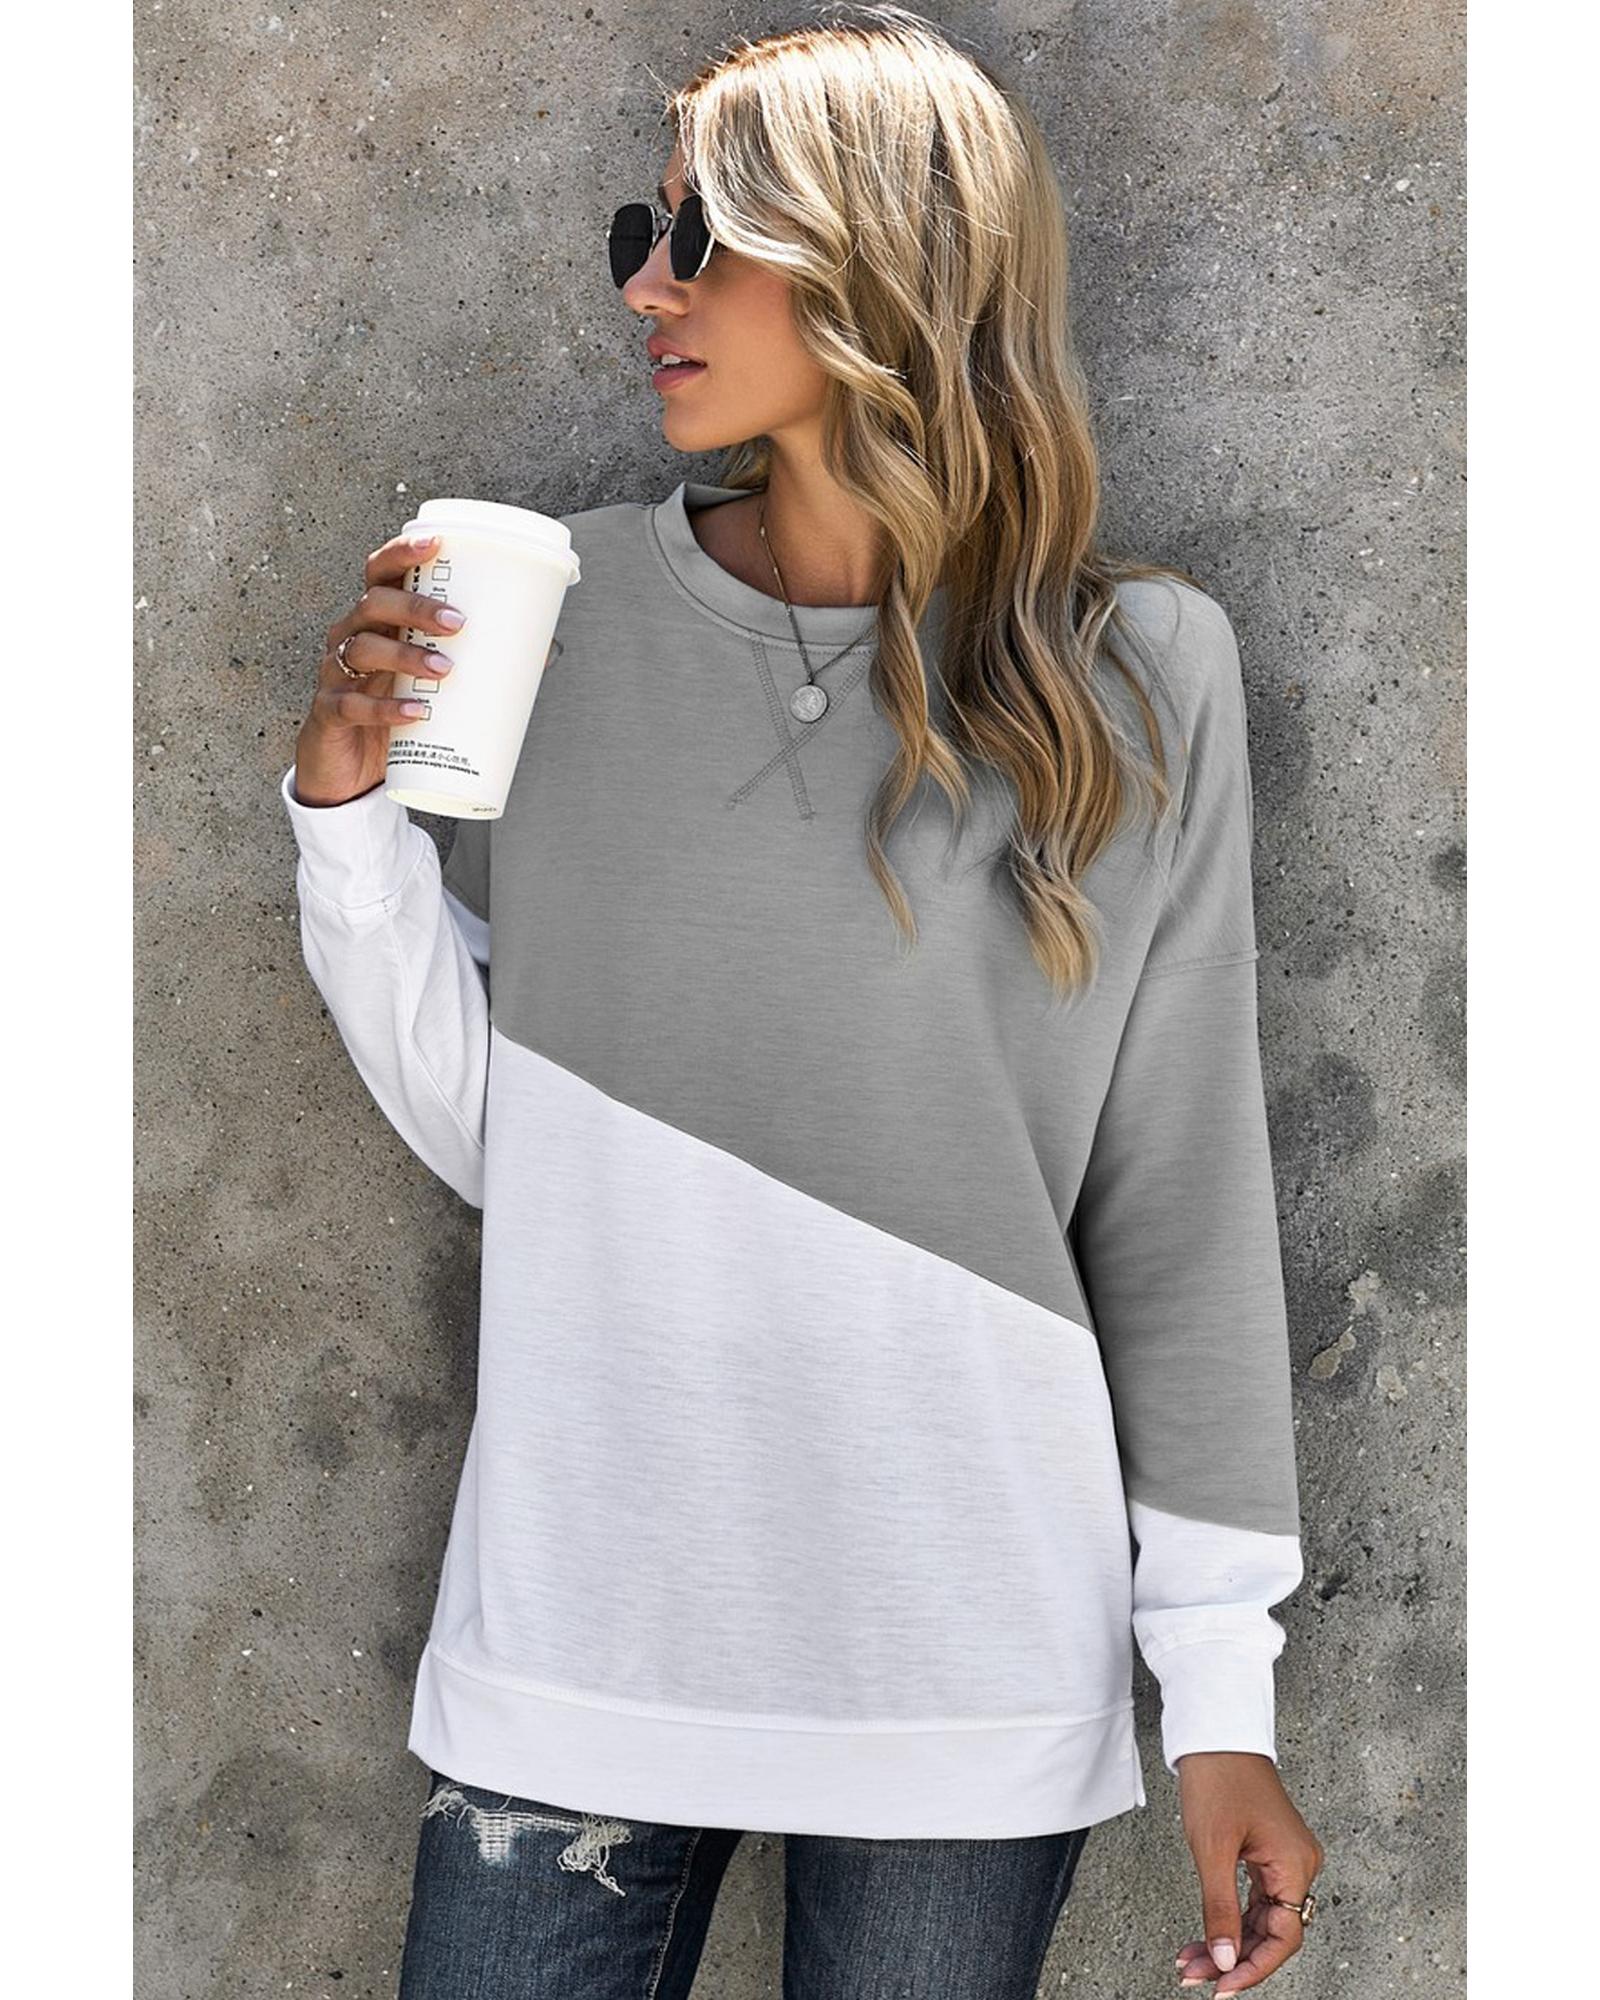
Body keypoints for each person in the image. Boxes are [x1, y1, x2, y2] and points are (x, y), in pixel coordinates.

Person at [280, 7, 1326, 1995]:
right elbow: (516, 1139)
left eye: (699, 236)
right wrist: (347, 820)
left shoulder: (1139, 674)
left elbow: (1179, 1207)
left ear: (878, 261)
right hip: (580, 1633)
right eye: (641, 235)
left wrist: (1219, 1697)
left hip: (963, 1660)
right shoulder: (554, 612)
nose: (643, 286)